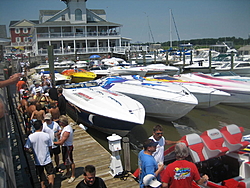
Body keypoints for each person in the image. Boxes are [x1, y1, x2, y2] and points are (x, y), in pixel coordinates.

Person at [24, 120, 54, 188]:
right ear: (41, 127)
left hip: (37, 160)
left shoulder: (31, 137)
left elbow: (26, 148)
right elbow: (50, 146)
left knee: (41, 176)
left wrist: (31, 152)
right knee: (50, 173)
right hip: (47, 158)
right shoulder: (46, 135)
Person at [54, 115, 75, 183]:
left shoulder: (67, 130)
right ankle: (68, 172)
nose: (59, 123)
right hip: (64, 146)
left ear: (62, 122)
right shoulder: (65, 128)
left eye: (60, 122)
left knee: (70, 161)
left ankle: (72, 175)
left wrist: (52, 142)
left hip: (68, 147)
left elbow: (61, 142)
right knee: (65, 161)